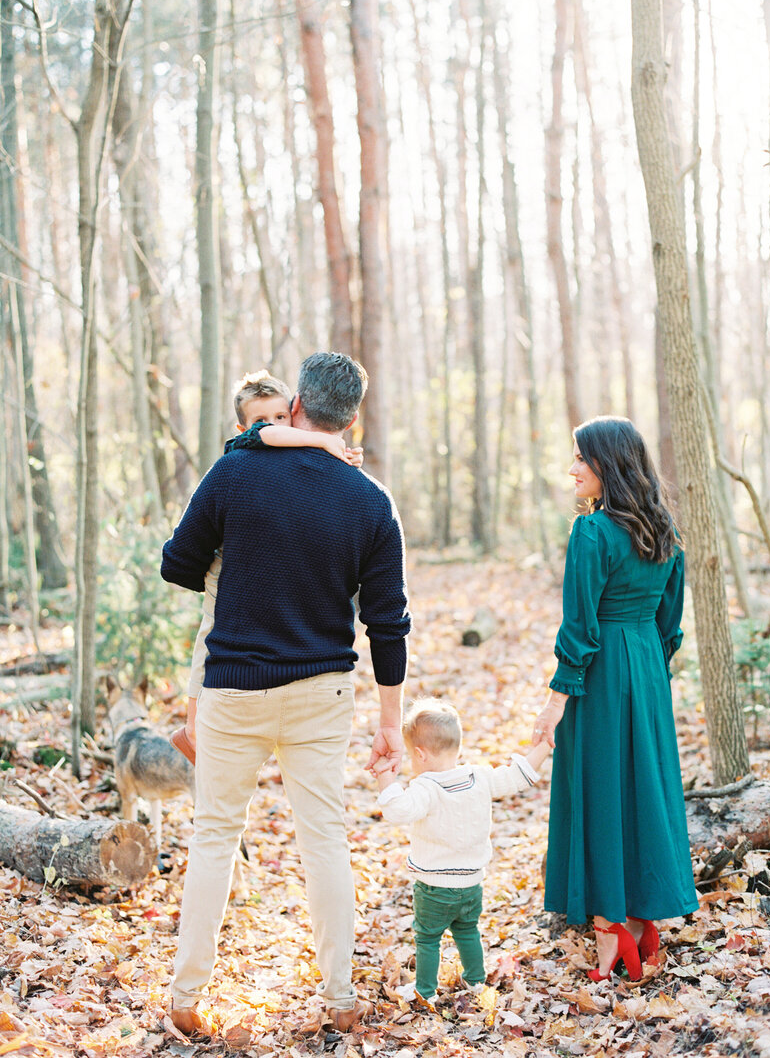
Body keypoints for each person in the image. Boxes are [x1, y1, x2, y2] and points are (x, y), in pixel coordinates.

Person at [161, 353, 411, 1035]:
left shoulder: (235, 470)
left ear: (296, 403)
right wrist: (391, 723)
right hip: (320, 691)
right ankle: (338, 997)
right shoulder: (368, 499)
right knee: (325, 839)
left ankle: (186, 998)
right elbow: (387, 623)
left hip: (232, 689)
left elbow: (177, 564)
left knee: (214, 836)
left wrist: (237, 550)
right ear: (351, 418)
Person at [531, 416, 698, 982]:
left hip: (600, 674)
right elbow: (670, 626)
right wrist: (646, 666)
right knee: (643, 787)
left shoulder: (593, 532)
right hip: (647, 669)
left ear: (608, 463)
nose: (571, 468)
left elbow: (579, 628)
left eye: (581, 458)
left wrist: (557, 700)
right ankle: (644, 920)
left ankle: (610, 930)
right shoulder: (664, 530)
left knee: (599, 789)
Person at [170, 369, 363, 765]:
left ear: (294, 410)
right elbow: (272, 435)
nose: (273, 425)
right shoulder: (246, 448)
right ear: (244, 427)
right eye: (261, 420)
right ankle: (193, 726)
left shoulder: (296, 455)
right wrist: (326, 441)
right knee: (209, 634)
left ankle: (195, 727)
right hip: (225, 567)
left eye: (280, 416)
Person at [374, 698, 551, 1005]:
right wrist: (543, 747)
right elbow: (516, 777)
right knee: (467, 931)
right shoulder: (479, 777)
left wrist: (385, 777)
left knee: (428, 938)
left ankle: (425, 991)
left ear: (419, 754)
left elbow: (398, 810)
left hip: (434, 887)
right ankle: (475, 982)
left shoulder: (425, 788)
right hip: (471, 883)